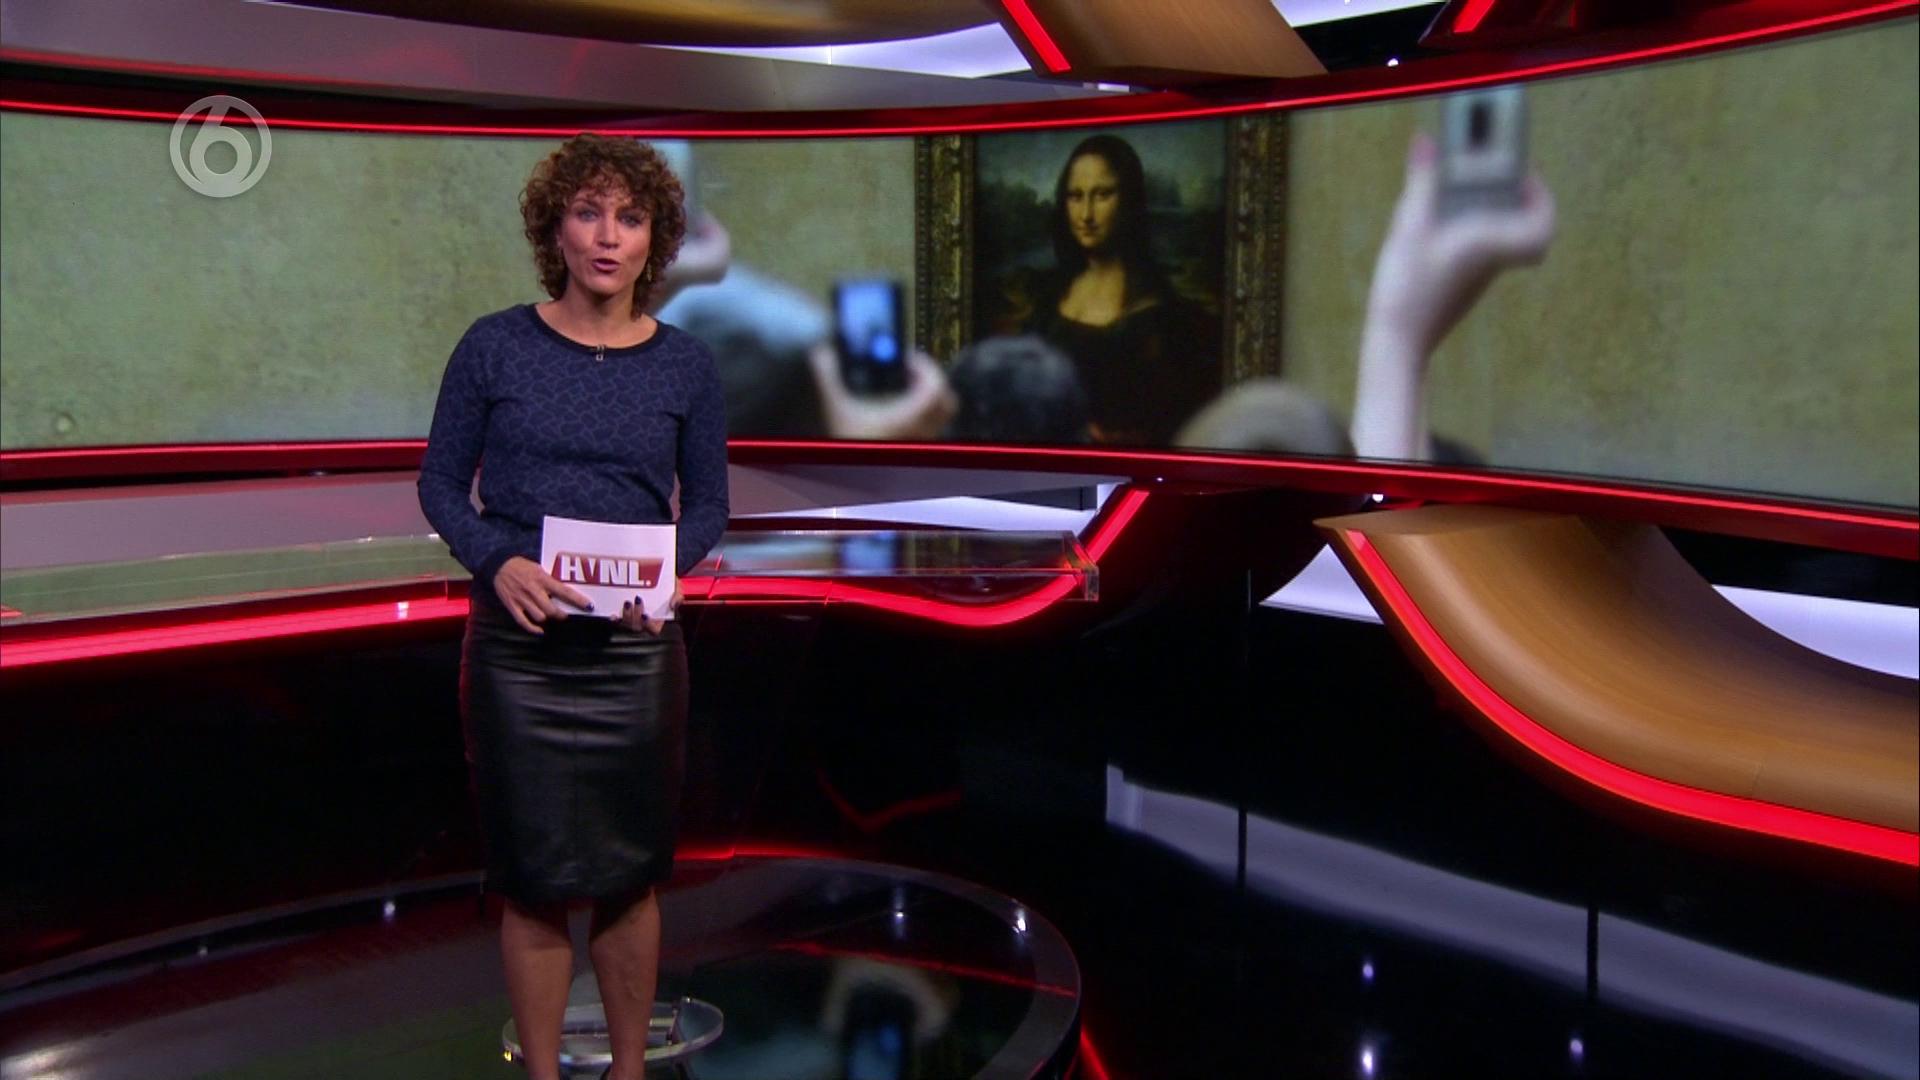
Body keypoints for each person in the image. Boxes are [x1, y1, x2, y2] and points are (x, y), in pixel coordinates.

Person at [417, 134, 728, 1080]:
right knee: (534, 877)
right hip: (519, 654)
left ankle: (631, 1071)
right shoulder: (494, 346)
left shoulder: (686, 366)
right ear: (554, 229)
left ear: (654, 240)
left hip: (634, 656)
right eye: (588, 213)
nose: (607, 236)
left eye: (629, 219)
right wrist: (496, 561)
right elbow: (439, 484)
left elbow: (708, 508)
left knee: (630, 876)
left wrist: (663, 571)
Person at [1021, 134, 1218, 445]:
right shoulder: (1050, 295)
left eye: (1102, 195)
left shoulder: (1158, 315)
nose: (1086, 214)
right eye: (1075, 196)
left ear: (1128, 200)